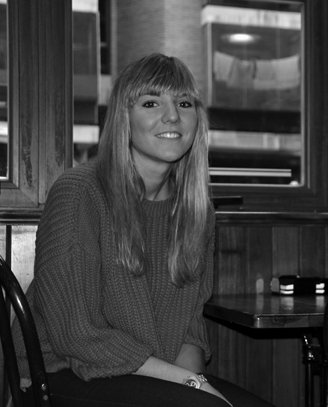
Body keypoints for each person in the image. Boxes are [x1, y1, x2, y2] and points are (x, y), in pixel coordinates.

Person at [13, 53, 274, 407]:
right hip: (57, 374)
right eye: (151, 102)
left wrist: (192, 384)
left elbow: (190, 331)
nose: (172, 115)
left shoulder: (196, 211)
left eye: (184, 103)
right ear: (124, 118)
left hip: (148, 374)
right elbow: (77, 335)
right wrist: (192, 387)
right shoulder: (80, 191)